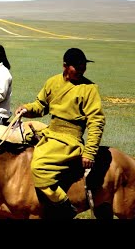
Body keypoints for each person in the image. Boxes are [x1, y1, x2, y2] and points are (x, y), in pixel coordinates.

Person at [15, 48, 105, 219]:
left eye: (83, 66)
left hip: (70, 140)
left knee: (39, 167)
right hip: (51, 132)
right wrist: (26, 109)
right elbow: (41, 105)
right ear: (65, 66)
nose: (81, 70)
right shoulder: (53, 82)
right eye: (76, 67)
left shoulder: (89, 89)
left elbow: (96, 122)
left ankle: (64, 208)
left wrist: (90, 152)